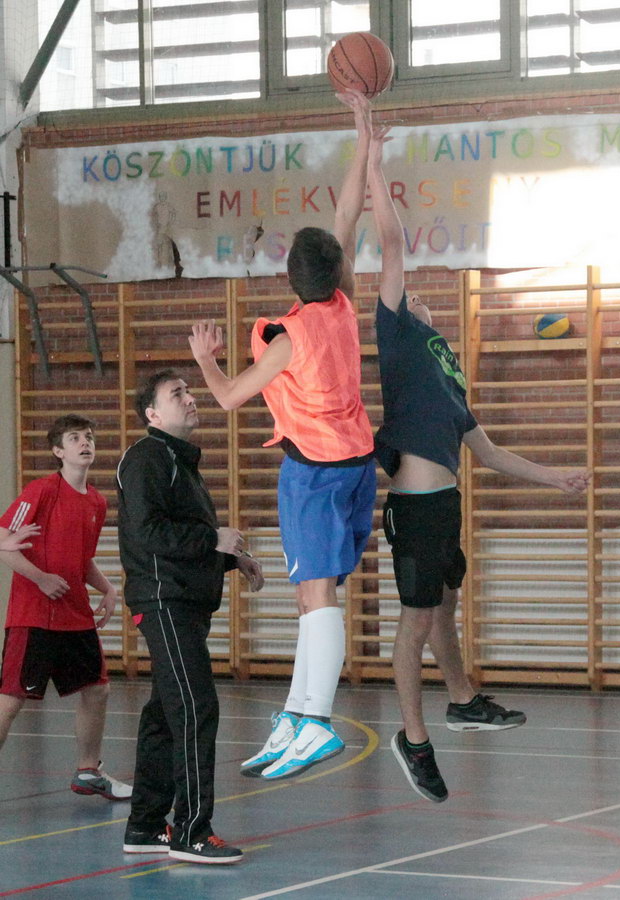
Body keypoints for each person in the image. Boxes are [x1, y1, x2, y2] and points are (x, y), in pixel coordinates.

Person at [363, 105, 591, 802]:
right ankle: (413, 737)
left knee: (445, 604)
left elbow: (486, 452)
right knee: (417, 619)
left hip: (447, 501)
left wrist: (554, 477)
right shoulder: (397, 334)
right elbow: (392, 243)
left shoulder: (445, 369)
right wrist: (372, 160)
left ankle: (462, 699)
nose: (419, 296)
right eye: (413, 295)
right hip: (415, 505)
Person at [188, 90, 376, 781]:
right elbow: (347, 215)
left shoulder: (290, 337)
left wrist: (207, 357)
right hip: (354, 465)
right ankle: (297, 715)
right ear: (334, 271)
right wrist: (363, 134)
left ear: (289, 276)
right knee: (310, 595)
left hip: (315, 473)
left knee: (316, 597)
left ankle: (317, 722)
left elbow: (229, 397)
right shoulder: (342, 305)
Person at [117, 369, 264, 865]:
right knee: (197, 708)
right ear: (153, 414)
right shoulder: (147, 458)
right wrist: (213, 539)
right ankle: (192, 831)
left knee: (165, 715)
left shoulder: (179, 461)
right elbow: (149, 534)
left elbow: (180, 540)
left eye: (188, 390)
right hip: (165, 603)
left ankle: (144, 825)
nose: (190, 398)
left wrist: (230, 559)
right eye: (176, 394)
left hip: (185, 603)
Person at [0, 414, 131, 801]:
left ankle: (88, 772)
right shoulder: (40, 491)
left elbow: (82, 559)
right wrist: (39, 577)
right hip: (34, 617)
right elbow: (3, 539)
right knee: (11, 700)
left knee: (97, 690)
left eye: (88, 436)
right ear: (58, 451)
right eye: (75, 438)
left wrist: (107, 588)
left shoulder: (97, 502)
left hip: (75, 616)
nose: (85, 442)